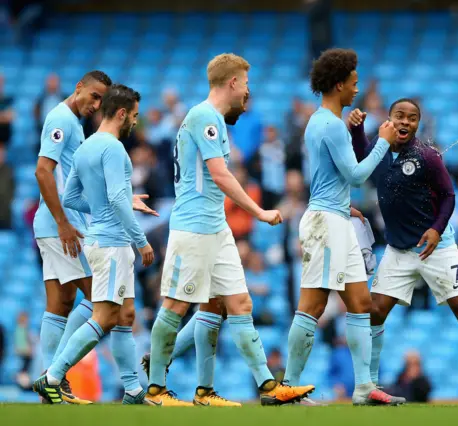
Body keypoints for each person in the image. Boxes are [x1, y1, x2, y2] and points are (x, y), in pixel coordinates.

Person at [145, 53, 314, 407]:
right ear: (233, 82)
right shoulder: (204, 116)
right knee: (176, 305)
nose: (248, 91)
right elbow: (220, 175)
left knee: (237, 303)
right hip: (193, 228)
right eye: (246, 83)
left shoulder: (215, 121)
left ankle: (263, 387)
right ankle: (156, 388)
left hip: (215, 227)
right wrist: (258, 211)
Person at [348, 98, 458, 408]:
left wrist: (437, 229)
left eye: (411, 118)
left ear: (417, 123)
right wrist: (359, 129)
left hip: (435, 247)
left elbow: (448, 195)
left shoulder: (427, 156)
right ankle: (371, 387)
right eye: (399, 116)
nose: (404, 122)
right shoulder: (380, 148)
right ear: (389, 120)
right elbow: (362, 157)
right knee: (374, 312)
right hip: (398, 250)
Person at [281, 48, 404, 406]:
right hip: (325, 223)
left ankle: (364, 387)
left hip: (336, 217)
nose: (356, 89)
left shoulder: (325, 122)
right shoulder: (330, 124)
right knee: (313, 305)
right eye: (353, 82)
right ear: (338, 84)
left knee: (360, 302)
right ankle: (288, 385)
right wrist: (382, 141)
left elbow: (329, 175)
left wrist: (341, 204)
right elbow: (355, 174)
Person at [32, 84, 155, 405]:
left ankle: (132, 390)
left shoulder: (86, 147)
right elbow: (115, 197)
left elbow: (72, 196)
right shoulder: (113, 148)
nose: (135, 123)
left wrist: (104, 208)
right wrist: (140, 241)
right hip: (112, 243)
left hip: (101, 238)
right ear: (122, 113)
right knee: (103, 316)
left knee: (125, 315)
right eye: (135, 116)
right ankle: (53, 376)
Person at [33, 70, 112, 405]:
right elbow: (42, 170)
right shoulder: (61, 118)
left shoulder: (76, 125)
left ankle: (49, 386)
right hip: (62, 228)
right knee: (103, 303)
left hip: (58, 225)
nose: (96, 105)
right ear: (78, 87)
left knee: (61, 305)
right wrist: (64, 223)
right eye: (93, 96)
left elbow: (74, 183)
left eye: (101, 101)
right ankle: (54, 374)